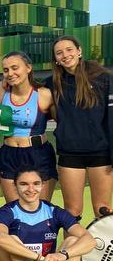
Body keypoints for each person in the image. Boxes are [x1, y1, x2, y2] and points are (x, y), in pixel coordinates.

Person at [47, 36, 112, 219]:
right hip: (70, 154)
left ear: (79, 51)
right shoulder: (52, 83)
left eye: (69, 50)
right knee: (72, 212)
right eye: (59, 53)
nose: (65, 55)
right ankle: (72, 249)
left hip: (101, 153)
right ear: (56, 59)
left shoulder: (103, 79)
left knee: (103, 210)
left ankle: (103, 248)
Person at [0, 51, 56, 202]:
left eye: (15, 68)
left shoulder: (44, 94)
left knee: (40, 210)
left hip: (37, 154)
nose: (10, 73)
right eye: (6, 70)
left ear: (28, 68)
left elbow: (65, 121)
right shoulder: (0, 90)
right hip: (9, 155)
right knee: (15, 211)